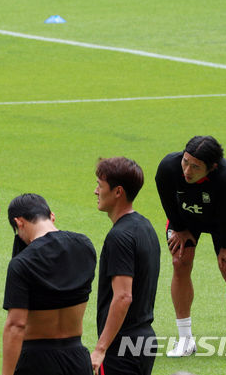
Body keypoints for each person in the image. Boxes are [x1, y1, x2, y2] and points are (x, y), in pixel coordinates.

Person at [155, 136, 226, 360]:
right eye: (185, 161)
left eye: (195, 166)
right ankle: (185, 340)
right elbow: (167, 202)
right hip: (184, 217)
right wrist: (179, 229)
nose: (187, 170)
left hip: (221, 220)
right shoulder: (168, 167)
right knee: (180, 261)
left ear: (212, 167)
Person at [2, 193, 96, 375]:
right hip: (77, 359)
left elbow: (16, 325)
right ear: (52, 216)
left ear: (19, 222)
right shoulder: (85, 246)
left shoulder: (22, 263)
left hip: (36, 361)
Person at [91, 157, 160, 375]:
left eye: (100, 186)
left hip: (122, 345)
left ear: (118, 191)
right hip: (144, 340)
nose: (96, 191)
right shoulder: (145, 227)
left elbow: (123, 297)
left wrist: (101, 348)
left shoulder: (119, 237)